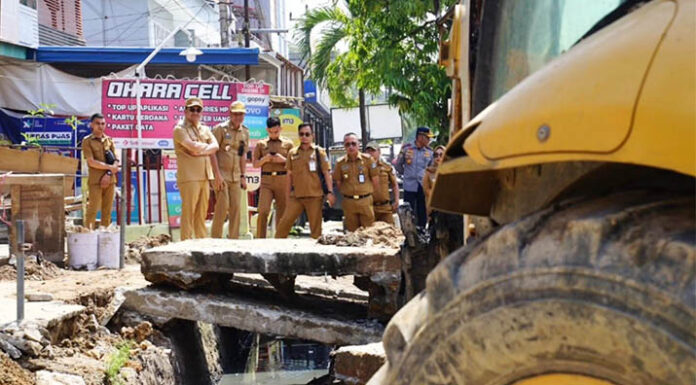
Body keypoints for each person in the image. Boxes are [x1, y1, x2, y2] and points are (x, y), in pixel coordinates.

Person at [275, 123, 335, 239]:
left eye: (307, 134)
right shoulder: (293, 153)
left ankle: (315, 255)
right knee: (283, 225)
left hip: (315, 196)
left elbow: (327, 173)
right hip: (296, 196)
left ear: (313, 136)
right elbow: (289, 176)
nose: (304, 137)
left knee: (316, 231)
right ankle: (277, 252)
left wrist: (330, 192)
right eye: (301, 134)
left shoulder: (319, 152)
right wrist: (287, 197)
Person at [173, 97, 218, 240]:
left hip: (205, 176)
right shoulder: (180, 129)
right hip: (189, 177)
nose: (195, 112)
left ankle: (201, 243)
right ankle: (185, 243)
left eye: (198, 109)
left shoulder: (205, 129)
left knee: (202, 213)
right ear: (185, 111)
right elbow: (191, 146)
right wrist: (205, 149)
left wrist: (200, 151)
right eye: (192, 109)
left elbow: (216, 146)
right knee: (188, 212)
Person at [210, 100, 250, 239]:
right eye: (236, 114)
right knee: (222, 206)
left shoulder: (245, 131)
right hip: (222, 174)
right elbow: (212, 152)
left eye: (241, 114)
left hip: (236, 176)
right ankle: (216, 239)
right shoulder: (220, 129)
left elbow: (242, 154)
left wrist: (243, 176)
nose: (238, 117)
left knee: (236, 209)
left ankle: (233, 240)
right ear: (230, 114)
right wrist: (217, 175)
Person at [253, 117, 294, 238]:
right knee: (263, 210)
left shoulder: (288, 144)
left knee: (282, 212)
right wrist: (265, 159)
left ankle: (280, 239)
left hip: (283, 180)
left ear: (281, 129)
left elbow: (294, 164)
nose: (273, 134)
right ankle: (261, 239)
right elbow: (255, 164)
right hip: (267, 181)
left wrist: (282, 160)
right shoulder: (261, 144)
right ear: (267, 130)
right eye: (271, 132)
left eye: (276, 131)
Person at [334, 133, 380, 232]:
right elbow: (338, 182)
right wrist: (348, 192)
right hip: (349, 202)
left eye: (353, 144)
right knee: (352, 234)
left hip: (365, 200)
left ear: (358, 145)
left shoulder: (368, 160)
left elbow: (375, 181)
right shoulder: (340, 163)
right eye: (347, 144)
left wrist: (367, 193)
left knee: (369, 232)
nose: (351, 147)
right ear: (344, 146)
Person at [82, 113, 120, 229]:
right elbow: (91, 162)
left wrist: (108, 174)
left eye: (103, 124)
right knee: (93, 209)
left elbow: (117, 162)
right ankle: (87, 235)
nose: (100, 126)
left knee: (107, 211)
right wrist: (109, 168)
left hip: (110, 180)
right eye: (98, 123)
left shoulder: (109, 140)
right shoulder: (87, 141)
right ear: (91, 125)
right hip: (95, 181)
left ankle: (105, 237)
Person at [395, 126, 434, 227]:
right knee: (408, 211)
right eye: (427, 137)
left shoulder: (429, 152)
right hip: (409, 185)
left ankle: (422, 232)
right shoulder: (407, 148)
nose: (429, 140)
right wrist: (406, 174)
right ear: (420, 137)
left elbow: (431, 168)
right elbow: (398, 164)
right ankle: (409, 234)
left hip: (422, 185)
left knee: (422, 212)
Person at [366, 141, 399, 224]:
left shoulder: (386, 167)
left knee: (390, 232)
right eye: (368, 151)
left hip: (385, 207)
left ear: (379, 152)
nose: (370, 153)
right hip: (370, 207)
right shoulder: (363, 169)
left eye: (373, 151)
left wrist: (396, 200)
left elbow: (394, 185)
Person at [423, 145, 446, 216]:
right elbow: (426, 189)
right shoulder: (429, 171)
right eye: (436, 155)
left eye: (441, 155)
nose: (438, 157)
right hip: (434, 208)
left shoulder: (450, 170)